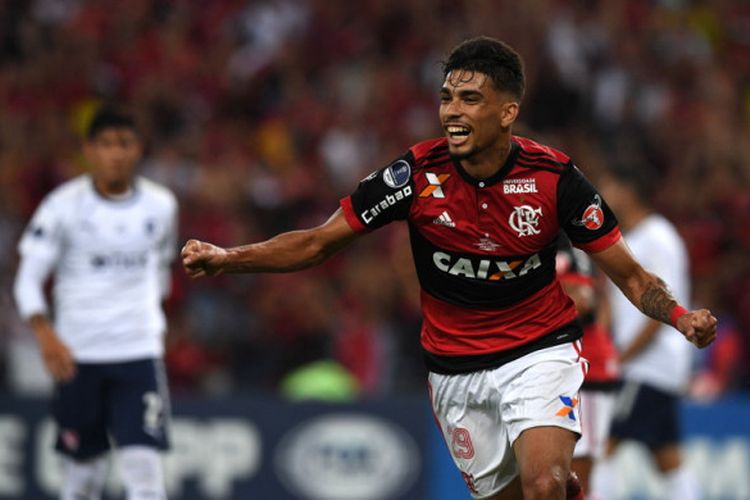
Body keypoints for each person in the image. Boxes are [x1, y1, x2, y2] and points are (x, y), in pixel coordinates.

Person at [181, 36, 716, 500]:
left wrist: (678, 315)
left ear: (507, 111)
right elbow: (319, 244)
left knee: (548, 482)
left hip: (539, 349)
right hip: (455, 369)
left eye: (470, 98)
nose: (451, 111)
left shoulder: (555, 179)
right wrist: (231, 258)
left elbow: (631, 276)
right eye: (446, 98)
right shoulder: (412, 175)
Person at [13, 107, 178, 500]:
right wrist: (45, 335)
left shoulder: (161, 205)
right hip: (78, 355)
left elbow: (162, 271)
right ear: (89, 150)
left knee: (146, 476)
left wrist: (150, 320)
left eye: (124, 143)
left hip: (138, 353)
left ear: (138, 149)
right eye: (105, 144)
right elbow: (27, 280)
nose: (116, 154)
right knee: (83, 479)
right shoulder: (62, 206)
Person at [594, 167, 701, 499]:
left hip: (648, 366)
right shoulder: (629, 239)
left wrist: (620, 358)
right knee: (667, 458)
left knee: (602, 444)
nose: (604, 192)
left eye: (610, 184)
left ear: (629, 190)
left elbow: (661, 309)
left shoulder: (659, 237)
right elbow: (614, 303)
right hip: (647, 366)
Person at [555, 234, 620, 496]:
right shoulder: (573, 254)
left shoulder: (565, 255)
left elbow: (583, 300)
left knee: (580, 470)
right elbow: (602, 301)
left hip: (588, 374)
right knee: (565, 469)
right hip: (572, 368)